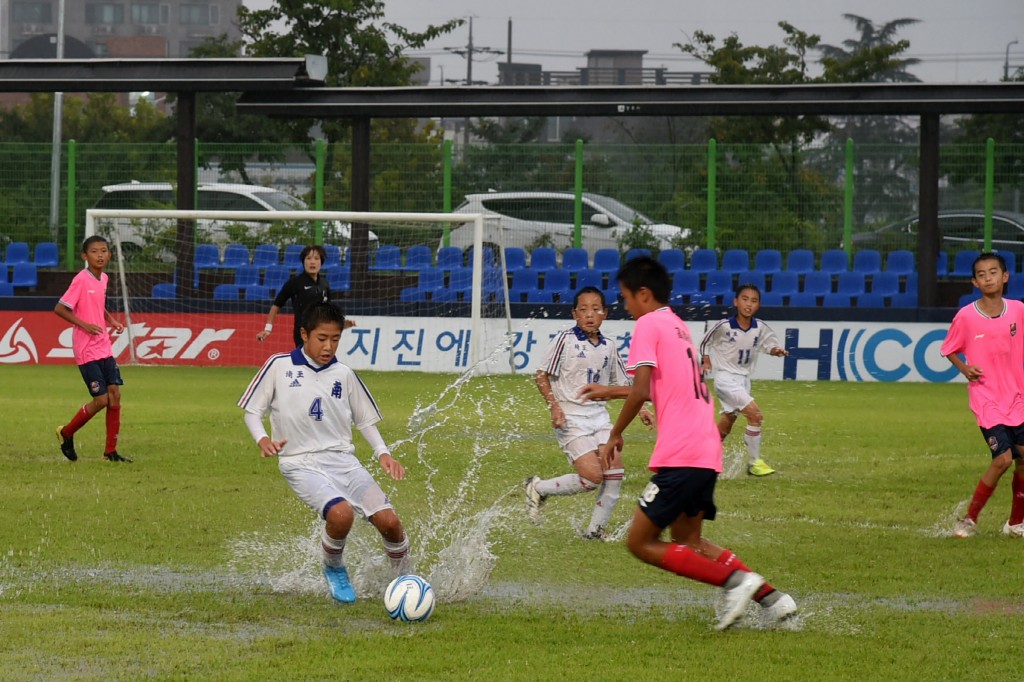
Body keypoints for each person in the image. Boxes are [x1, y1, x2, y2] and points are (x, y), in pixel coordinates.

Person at [585, 257, 795, 630]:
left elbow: (642, 390)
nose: (625, 306)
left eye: (625, 297)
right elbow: (662, 387)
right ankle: (773, 598)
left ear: (643, 294)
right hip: (706, 448)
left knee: (640, 542)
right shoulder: (678, 326)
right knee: (688, 537)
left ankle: (738, 583)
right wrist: (611, 391)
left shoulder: (648, 324)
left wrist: (615, 433)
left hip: (681, 452)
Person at [239, 303, 410, 603]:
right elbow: (252, 412)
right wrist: (263, 438)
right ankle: (334, 568)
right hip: (299, 463)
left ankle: (406, 579)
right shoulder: (279, 365)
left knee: (391, 522)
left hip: (343, 461)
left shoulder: (343, 373)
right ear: (304, 334)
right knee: (341, 514)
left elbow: (365, 419)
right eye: (321, 338)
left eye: (334, 339)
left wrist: (383, 452)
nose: (328, 346)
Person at [525, 286, 644, 540]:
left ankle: (595, 530)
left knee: (615, 472)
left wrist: (642, 406)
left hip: (599, 418)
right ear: (574, 314)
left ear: (605, 314)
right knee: (591, 477)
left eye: (596, 309)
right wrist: (554, 406)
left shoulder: (609, 347)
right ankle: (538, 487)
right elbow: (541, 374)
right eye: (584, 309)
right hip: (571, 417)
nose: (590, 314)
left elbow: (624, 383)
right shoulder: (564, 340)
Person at [941, 252, 1024, 539]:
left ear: (1005, 277)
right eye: (982, 274)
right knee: (1002, 459)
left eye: (993, 272)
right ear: (974, 282)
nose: (988, 278)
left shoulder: (1017, 310)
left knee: (1023, 459)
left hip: (1018, 398)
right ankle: (969, 520)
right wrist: (964, 368)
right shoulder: (966, 316)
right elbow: (949, 348)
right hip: (987, 397)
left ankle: (1015, 523)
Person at [54, 235, 132, 463]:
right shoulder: (81, 279)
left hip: (103, 346)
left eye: (104, 251)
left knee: (115, 394)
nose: (100, 255)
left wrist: (110, 320)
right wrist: (84, 324)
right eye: (95, 251)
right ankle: (66, 433)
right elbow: (60, 308)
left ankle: (110, 452)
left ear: (109, 255)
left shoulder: (104, 278)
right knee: (101, 400)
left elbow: (98, 305)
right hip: (86, 349)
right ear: (84, 256)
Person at [700, 284, 789, 477]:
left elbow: (770, 345)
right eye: (745, 299)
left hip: (743, 381)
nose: (749, 304)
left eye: (754, 300)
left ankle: (704, 457)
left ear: (758, 305)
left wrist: (776, 351)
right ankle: (754, 463)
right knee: (755, 415)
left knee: (727, 422)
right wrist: (706, 359)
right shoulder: (724, 326)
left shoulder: (760, 328)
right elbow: (705, 342)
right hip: (725, 379)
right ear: (736, 301)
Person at [256, 244, 354, 348]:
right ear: (303, 262)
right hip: (303, 333)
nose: (312, 262)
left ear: (321, 262)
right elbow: (276, 306)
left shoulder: (325, 284)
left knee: (321, 363)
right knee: (306, 363)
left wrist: (341, 324)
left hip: (322, 333)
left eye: (316, 258)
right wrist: (268, 329)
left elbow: (328, 311)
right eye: (308, 258)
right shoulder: (295, 282)